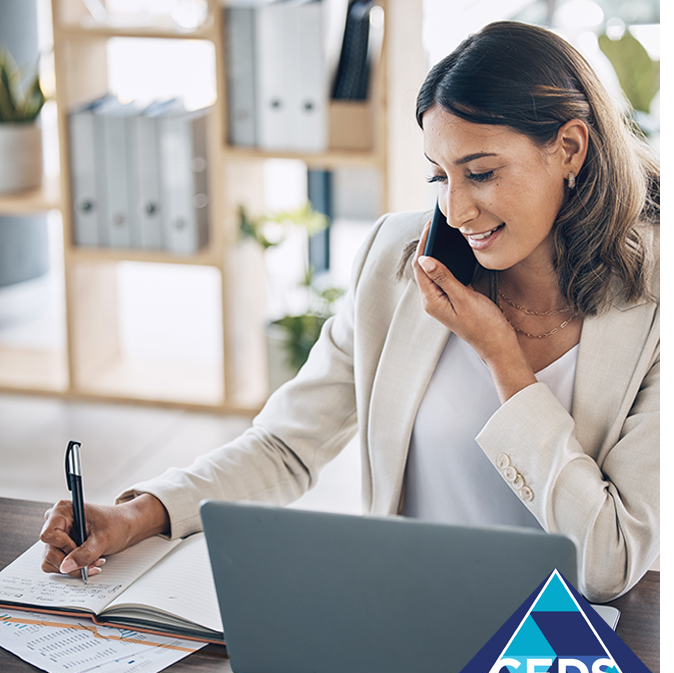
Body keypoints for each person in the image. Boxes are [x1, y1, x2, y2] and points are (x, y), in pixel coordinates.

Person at [40, 21, 659, 603]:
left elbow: (608, 561)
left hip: (556, 647)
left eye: (481, 173)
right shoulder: (398, 261)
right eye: (439, 178)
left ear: (571, 148)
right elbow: (287, 447)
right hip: (405, 615)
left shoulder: (654, 310)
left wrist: (502, 358)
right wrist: (135, 515)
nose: (457, 212)